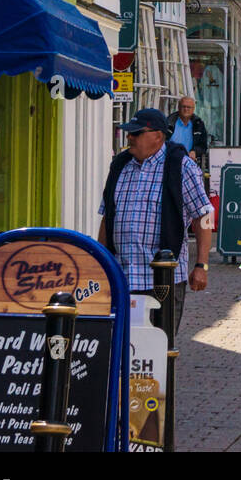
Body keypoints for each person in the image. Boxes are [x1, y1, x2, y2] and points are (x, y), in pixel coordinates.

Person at [97, 108, 213, 338]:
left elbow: (203, 216)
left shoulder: (181, 166)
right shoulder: (120, 165)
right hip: (122, 277)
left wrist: (202, 265)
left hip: (161, 281)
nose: (129, 137)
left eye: (136, 133)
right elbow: (107, 218)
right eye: (129, 133)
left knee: (158, 353)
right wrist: (100, 264)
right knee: (119, 349)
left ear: (158, 136)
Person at [166, 96, 209, 165]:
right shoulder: (168, 122)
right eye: (183, 106)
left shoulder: (199, 124)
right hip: (170, 162)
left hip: (190, 164)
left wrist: (195, 151)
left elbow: (203, 146)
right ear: (178, 107)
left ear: (193, 109)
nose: (186, 109)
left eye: (189, 107)